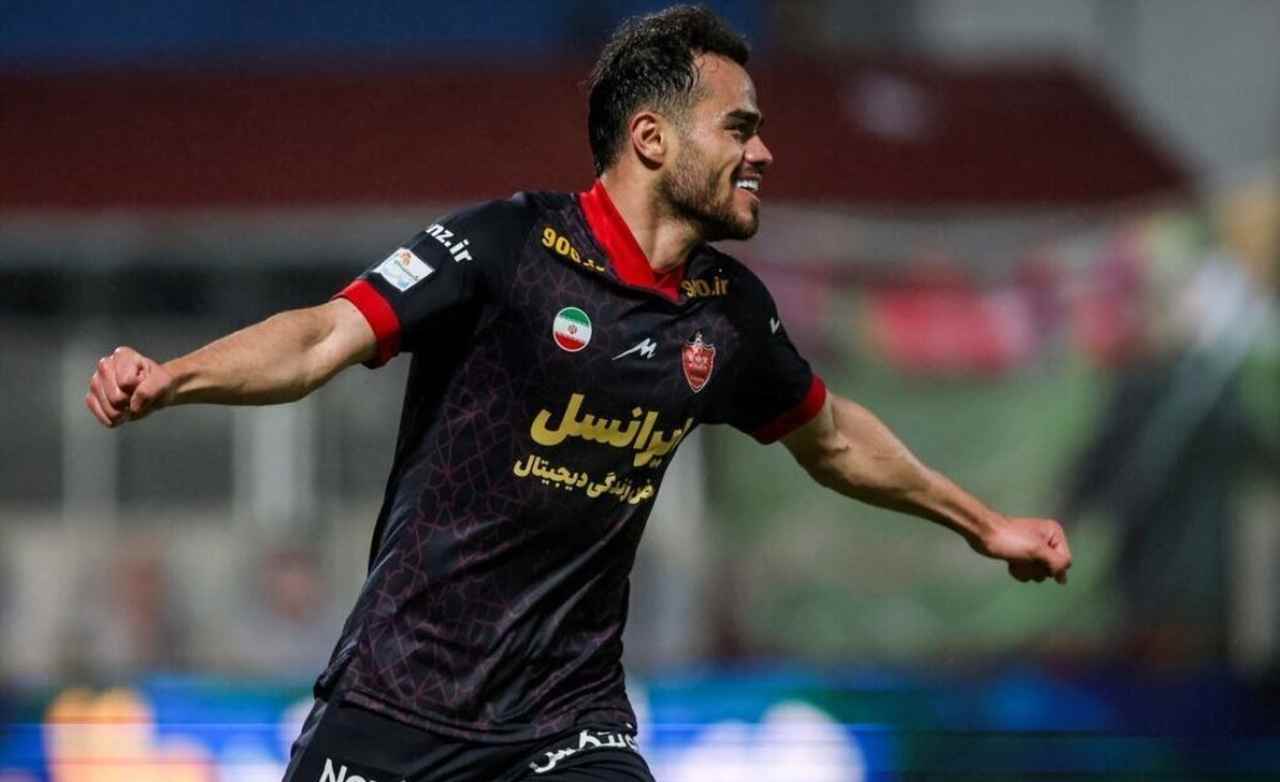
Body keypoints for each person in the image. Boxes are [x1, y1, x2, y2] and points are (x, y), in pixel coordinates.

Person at [85, 6, 1071, 781]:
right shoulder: (507, 247)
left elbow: (835, 437)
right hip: (395, 704)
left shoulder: (727, 315)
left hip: (566, 724)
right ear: (651, 138)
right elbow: (319, 337)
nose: (763, 153)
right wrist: (173, 378)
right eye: (739, 128)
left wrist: (983, 524)